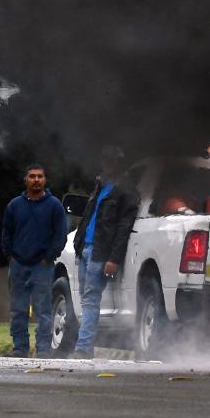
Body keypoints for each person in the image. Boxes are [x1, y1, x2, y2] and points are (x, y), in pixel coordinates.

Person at [71, 147, 138, 359]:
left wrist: (113, 259)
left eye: (113, 162)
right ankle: (85, 346)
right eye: (107, 161)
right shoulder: (99, 188)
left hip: (101, 254)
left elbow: (123, 229)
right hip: (86, 250)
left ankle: (83, 348)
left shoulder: (127, 193)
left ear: (120, 165)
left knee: (91, 299)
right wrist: (79, 246)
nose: (108, 166)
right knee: (85, 298)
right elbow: (89, 219)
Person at [1, 164, 69, 358]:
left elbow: (60, 236)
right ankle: (20, 348)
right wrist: (10, 256)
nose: (36, 180)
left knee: (44, 311)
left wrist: (49, 258)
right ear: (26, 180)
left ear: (45, 180)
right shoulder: (14, 205)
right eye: (32, 176)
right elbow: (6, 232)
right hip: (18, 265)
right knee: (17, 309)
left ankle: (43, 349)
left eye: (40, 176)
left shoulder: (54, 205)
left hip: (43, 266)